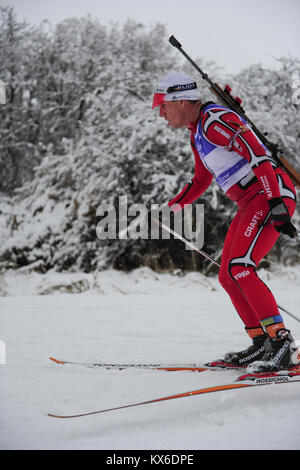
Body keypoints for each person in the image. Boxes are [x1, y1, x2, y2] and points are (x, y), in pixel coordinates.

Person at [152, 72, 299, 372]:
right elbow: (202, 178)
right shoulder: (197, 133)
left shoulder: (213, 119)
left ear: (180, 101)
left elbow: (257, 153)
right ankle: (262, 343)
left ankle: (282, 343)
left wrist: (276, 203)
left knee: (240, 268)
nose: (160, 112)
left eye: (162, 105)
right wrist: (176, 204)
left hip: (268, 193)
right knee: (227, 275)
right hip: (250, 201)